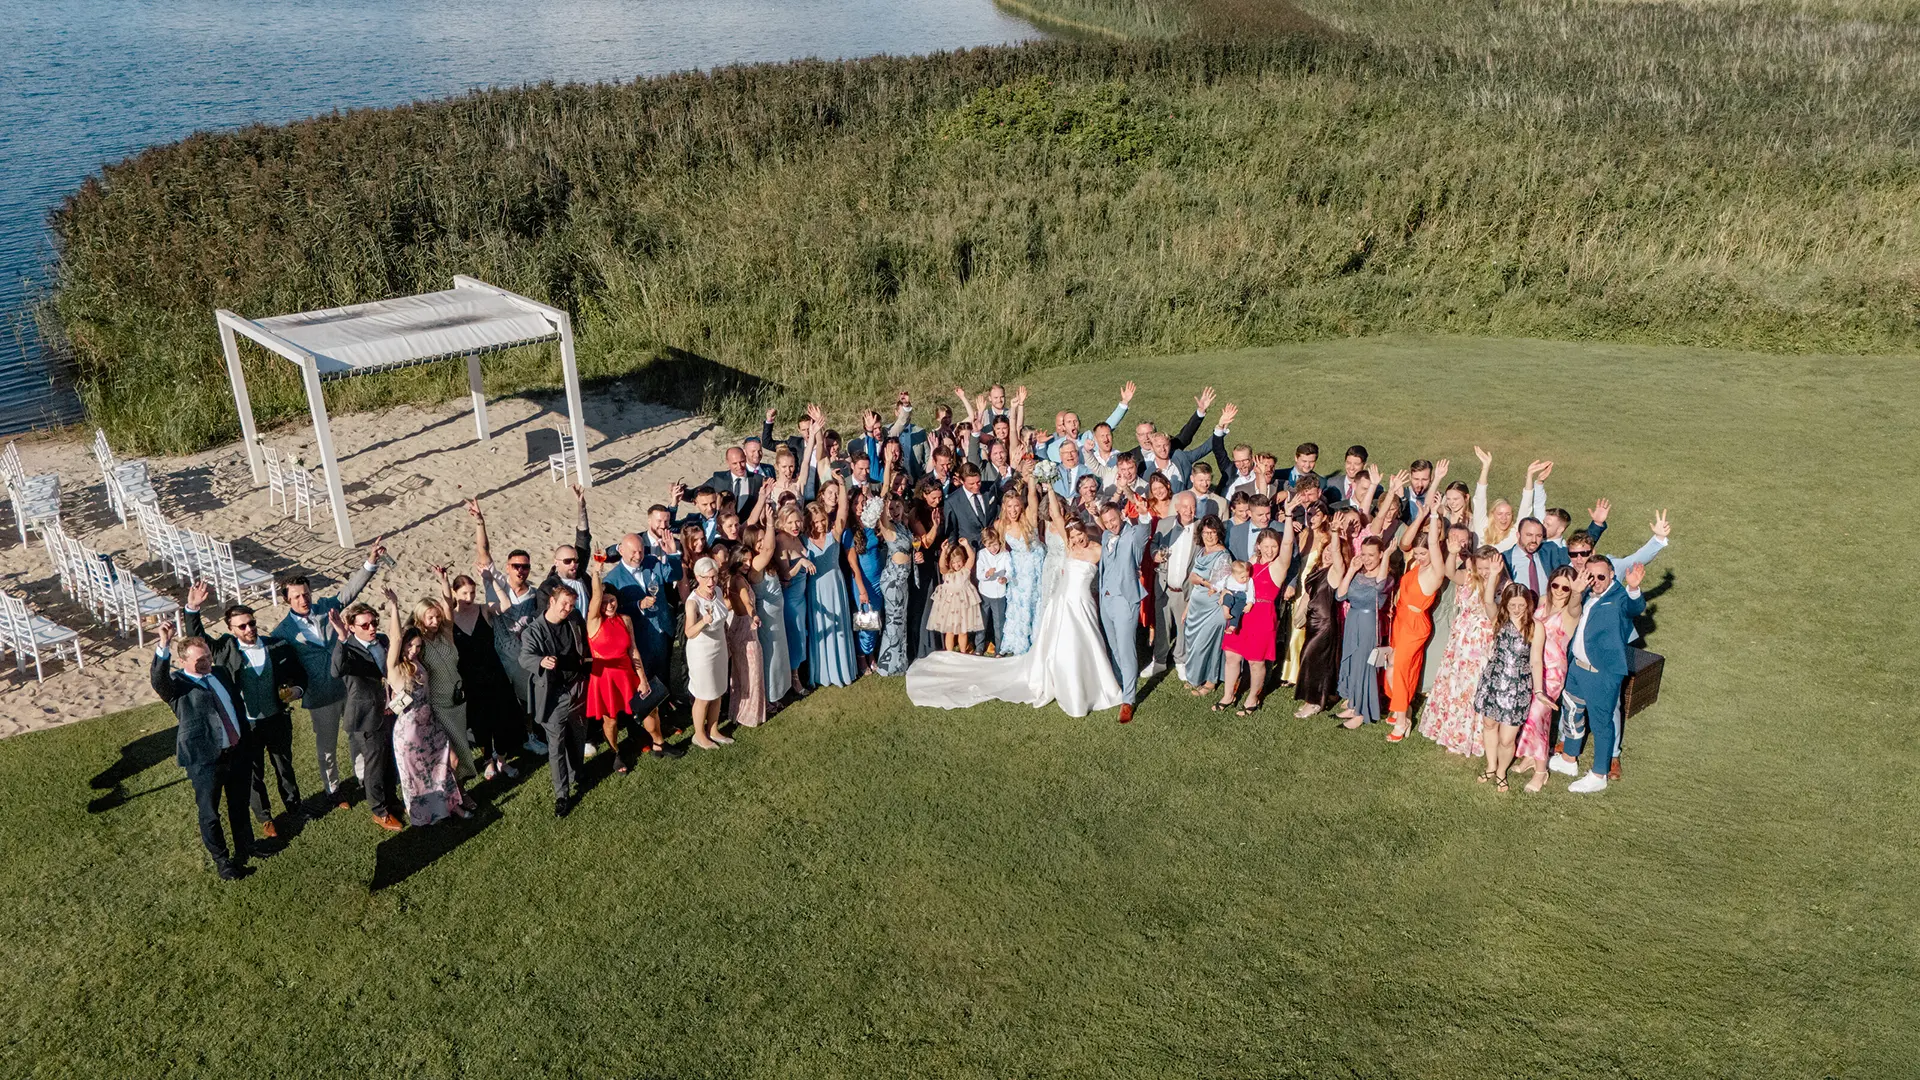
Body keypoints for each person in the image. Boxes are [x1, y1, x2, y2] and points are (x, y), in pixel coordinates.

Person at [905, 516, 1123, 718]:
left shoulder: (1098, 549)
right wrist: (1046, 483)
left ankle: (1092, 684)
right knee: (1066, 642)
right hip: (1064, 602)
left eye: (1079, 535)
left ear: (1087, 532)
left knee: (1087, 641)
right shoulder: (1069, 548)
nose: (1077, 539)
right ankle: (1069, 684)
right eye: (1073, 536)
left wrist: (1099, 521)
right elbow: (1056, 515)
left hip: (1084, 601)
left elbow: (1113, 562)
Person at [181, 583, 305, 837]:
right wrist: (192, 609)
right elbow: (199, 638)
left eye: (251, 623)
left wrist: (296, 691)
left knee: (284, 765)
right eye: (242, 626)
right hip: (246, 724)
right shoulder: (226, 649)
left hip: (276, 718)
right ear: (230, 629)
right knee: (253, 773)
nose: (249, 629)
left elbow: (299, 675)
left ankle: (294, 806)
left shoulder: (276, 645)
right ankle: (265, 817)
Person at [269, 541, 381, 809]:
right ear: (288, 600)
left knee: (357, 736)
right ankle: (333, 790)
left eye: (305, 593)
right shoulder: (282, 632)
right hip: (319, 696)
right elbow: (282, 667)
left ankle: (363, 778)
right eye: (296, 596)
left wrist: (370, 563)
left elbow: (350, 591)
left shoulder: (326, 607)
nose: (303, 599)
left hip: (347, 687)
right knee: (328, 746)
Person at [151, 623, 262, 879]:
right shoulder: (177, 685)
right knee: (210, 812)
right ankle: (222, 860)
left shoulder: (220, 673)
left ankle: (247, 845)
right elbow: (158, 680)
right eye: (201, 660)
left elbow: (234, 705)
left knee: (239, 804)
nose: (207, 663)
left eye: (209, 657)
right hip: (204, 759)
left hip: (236, 751)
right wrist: (163, 645)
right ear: (183, 661)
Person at [1550, 559, 1648, 793]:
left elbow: (1635, 608)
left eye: (1601, 577)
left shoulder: (1620, 597)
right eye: (1591, 577)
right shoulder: (1586, 593)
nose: (1596, 582)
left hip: (1601, 673)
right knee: (1572, 711)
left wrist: (1633, 588)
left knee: (1602, 724)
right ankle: (1569, 759)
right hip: (1577, 668)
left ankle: (1599, 774)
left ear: (1612, 575)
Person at [381, 587, 467, 826]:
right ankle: (426, 816)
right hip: (409, 731)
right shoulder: (396, 668)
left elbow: (442, 627)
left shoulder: (419, 662)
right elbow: (397, 638)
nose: (414, 651)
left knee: (447, 764)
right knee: (417, 775)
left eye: (418, 647)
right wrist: (395, 606)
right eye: (411, 647)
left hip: (430, 722)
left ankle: (450, 805)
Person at [470, 500, 548, 756]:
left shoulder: (534, 595)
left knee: (527, 700)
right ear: (507, 567)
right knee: (500, 703)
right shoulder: (496, 583)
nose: (521, 570)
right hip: (498, 655)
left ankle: (529, 736)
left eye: (525, 566)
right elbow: (483, 550)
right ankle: (496, 750)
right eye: (516, 566)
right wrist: (480, 522)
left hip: (521, 658)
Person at [1418, 545, 1507, 756]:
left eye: (1489, 567)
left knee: (1472, 688)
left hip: (1480, 644)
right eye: (1481, 567)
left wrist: (1493, 577)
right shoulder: (1469, 578)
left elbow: (1492, 613)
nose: (1484, 572)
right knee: (1455, 685)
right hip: (1460, 640)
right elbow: (1449, 572)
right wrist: (1452, 552)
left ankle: (1470, 737)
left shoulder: (1504, 586)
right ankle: (1450, 731)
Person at [436, 565, 520, 781]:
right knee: (481, 722)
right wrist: (444, 582)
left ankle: (501, 759)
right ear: (455, 593)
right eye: (464, 593)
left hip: (493, 672)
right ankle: (488, 760)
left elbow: (506, 605)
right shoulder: (450, 619)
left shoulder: (482, 610)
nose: (469, 597)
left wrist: (490, 580)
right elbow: (445, 603)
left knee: (502, 717)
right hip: (469, 677)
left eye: (472, 592)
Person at [1384, 486, 1449, 742]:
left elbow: (1433, 541)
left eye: (1424, 554)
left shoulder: (1436, 571)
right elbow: (1407, 543)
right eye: (1419, 554)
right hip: (1400, 620)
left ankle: (1402, 721)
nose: (1420, 557)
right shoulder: (1415, 564)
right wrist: (1423, 515)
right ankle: (1403, 706)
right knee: (1399, 666)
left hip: (1415, 623)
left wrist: (1435, 514)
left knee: (1401, 668)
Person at [520, 584, 590, 817]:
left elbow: (584, 646)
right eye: (564, 604)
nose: (568, 609)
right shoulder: (534, 630)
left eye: (571, 605)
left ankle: (577, 773)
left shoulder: (574, 619)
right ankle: (562, 794)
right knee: (556, 746)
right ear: (552, 601)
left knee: (579, 735)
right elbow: (525, 657)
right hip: (555, 694)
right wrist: (540, 662)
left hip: (577, 687)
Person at [585, 559, 662, 769]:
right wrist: (596, 574)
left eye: (613, 600)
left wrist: (643, 679)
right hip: (605, 677)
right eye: (605, 601)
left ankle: (659, 742)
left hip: (627, 672)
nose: (609, 605)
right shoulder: (594, 622)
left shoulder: (625, 619)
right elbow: (595, 600)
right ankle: (615, 752)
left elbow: (633, 649)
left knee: (648, 708)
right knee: (610, 720)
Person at [1516, 566, 1577, 792]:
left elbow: (1575, 603)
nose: (1560, 591)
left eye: (1566, 587)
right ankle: (1531, 756)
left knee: (1538, 716)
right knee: (1527, 713)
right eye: (1556, 585)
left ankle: (1541, 772)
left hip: (1552, 671)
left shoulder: (1571, 613)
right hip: (1532, 665)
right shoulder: (1541, 601)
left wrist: (1578, 592)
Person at [1217, 527, 1289, 717]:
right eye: (1266, 546)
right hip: (1242, 612)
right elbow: (1235, 577)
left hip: (1263, 615)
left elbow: (1288, 544)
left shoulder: (1278, 565)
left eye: (1274, 546)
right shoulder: (1252, 562)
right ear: (1258, 545)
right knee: (1232, 656)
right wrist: (1226, 592)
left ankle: (1252, 698)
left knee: (1256, 661)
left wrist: (1288, 518)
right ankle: (1228, 695)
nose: (1270, 550)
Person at [1474, 583, 1538, 791]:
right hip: (1493, 680)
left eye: (1521, 605)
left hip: (1518, 686)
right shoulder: (1498, 620)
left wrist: (1538, 691)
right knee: (1490, 725)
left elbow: (1536, 661)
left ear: (1528, 604)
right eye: (1513, 605)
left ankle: (1502, 771)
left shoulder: (1535, 627)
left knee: (1507, 738)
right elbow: (1487, 599)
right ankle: (1491, 766)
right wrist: (1493, 575)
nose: (1517, 609)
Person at [1095, 501, 1151, 724]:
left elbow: (1145, 528)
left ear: (1121, 516)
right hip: (1105, 599)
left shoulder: (1134, 535)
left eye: (1114, 520)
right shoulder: (1105, 537)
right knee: (1114, 646)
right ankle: (1121, 682)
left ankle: (1128, 699)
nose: (1111, 525)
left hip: (1125, 600)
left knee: (1126, 649)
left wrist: (1144, 512)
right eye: (1107, 522)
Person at [410, 595, 476, 783]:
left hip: (456, 699)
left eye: (437, 617)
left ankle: (459, 789)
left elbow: (448, 608)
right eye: (430, 617)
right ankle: (456, 794)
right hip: (438, 704)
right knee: (450, 753)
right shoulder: (419, 643)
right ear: (420, 618)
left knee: (462, 747)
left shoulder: (445, 634)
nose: (435, 621)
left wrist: (444, 582)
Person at [1334, 536, 1393, 729]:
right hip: (1353, 620)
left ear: (1381, 555)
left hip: (1368, 624)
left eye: (1372, 555)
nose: (1367, 559)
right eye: (1364, 554)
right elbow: (1340, 595)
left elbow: (1380, 587)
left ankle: (1362, 712)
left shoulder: (1387, 578)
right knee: (1352, 663)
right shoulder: (1358, 575)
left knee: (1363, 666)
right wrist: (1351, 569)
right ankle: (1353, 703)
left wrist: (1387, 559)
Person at [806, 483, 858, 686]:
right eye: (816, 522)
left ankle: (842, 670)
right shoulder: (804, 540)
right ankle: (822, 673)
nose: (820, 525)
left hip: (836, 587)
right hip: (816, 589)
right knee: (821, 627)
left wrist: (843, 485)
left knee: (839, 626)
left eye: (822, 520)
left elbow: (843, 510)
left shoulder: (833, 534)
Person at [1290, 519, 1343, 719]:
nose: (1329, 552)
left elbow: (1337, 555)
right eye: (1327, 549)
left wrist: (1336, 533)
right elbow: (1308, 593)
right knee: (1311, 658)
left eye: (1333, 550)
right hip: (1312, 620)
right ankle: (1322, 695)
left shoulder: (1335, 571)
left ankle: (1313, 702)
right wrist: (1300, 613)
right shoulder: (1318, 567)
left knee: (1312, 659)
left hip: (1325, 623)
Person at [1147, 490, 1199, 679]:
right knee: (1162, 624)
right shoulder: (1164, 524)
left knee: (1183, 626)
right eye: (1185, 506)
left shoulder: (1200, 528)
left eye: (1193, 507)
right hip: (1164, 585)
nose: (1189, 510)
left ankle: (1180, 660)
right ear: (1176, 507)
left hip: (1184, 589)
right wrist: (1155, 555)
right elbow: (1153, 545)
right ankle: (1159, 661)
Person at [683, 557, 732, 749]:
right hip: (701, 653)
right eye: (707, 578)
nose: (711, 582)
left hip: (719, 648)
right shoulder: (692, 603)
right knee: (703, 695)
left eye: (714, 577)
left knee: (718, 691)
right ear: (698, 577)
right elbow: (689, 633)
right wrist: (703, 621)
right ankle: (699, 735)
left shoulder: (718, 592)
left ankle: (713, 730)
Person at [742, 522, 794, 703]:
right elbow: (770, 548)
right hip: (766, 616)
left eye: (764, 539)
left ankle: (780, 691)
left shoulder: (766, 561)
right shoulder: (755, 563)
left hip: (777, 614)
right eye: (759, 541)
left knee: (780, 652)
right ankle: (769, 696)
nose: (764, 543)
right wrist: (771, 523)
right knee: (770, 654)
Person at [719, 545, 768, 728]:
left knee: (739, 674)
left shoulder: (731, 578)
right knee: (752, 673)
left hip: (736, 628)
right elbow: (746, 601)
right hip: (745, 629)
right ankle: (749, 715)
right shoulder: (739, 580)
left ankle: (737, 711)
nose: (748, 564)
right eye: (744, 560)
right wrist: (753, 614)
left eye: (749, 560)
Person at [1180, 516, 1231, 695]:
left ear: (1219, 533)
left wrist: (1200, 580)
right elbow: (1193, 580)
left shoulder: (1223, 555)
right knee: (1194, 643)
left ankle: (1211, 681)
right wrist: (1188, 606)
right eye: (1206, 532)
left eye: (1213, 532)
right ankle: (1196, 677)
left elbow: (1217, 586)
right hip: (1196, 606)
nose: (1209, 536)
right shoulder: (1201, 552)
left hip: (1213, 608)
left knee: (1207, 644)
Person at [928, 538, 984, 654]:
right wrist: (943, 550)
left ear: (963, 560)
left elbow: (972, 558)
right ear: (949, 563)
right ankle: (949, 652)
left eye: (958, 561)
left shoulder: (965, 570)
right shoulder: (947, 573)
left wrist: (966, 545)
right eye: (953, 562)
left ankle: (963, 652)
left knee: (963, 631)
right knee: (950, 631)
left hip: (963, 606)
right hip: (950, 606)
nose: (956, 564)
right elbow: (941, 565)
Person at [850, 494, 886, 671]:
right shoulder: (850, 531)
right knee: (865, 620)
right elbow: (853, 563)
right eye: (856, 502)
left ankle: (872, 653)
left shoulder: (871, 525)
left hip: (878, 579)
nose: (860, 505)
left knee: (875, 618)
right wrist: (861, 588)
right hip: (862, 581)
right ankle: (862, 656)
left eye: (863, 502)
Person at [974, 525, 1011, 654]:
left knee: (999, 623)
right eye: (989, 546)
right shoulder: (982, 554)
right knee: (982, 621)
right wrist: (987, 574)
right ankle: (978, 647)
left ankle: (999, 649)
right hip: (985, 593)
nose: (993, 548)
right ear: (984, 544)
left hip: (999, 594)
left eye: (995, 545)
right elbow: (979, 575)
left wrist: (1005, 578)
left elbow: (1010, 571)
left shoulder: (1005, 554)